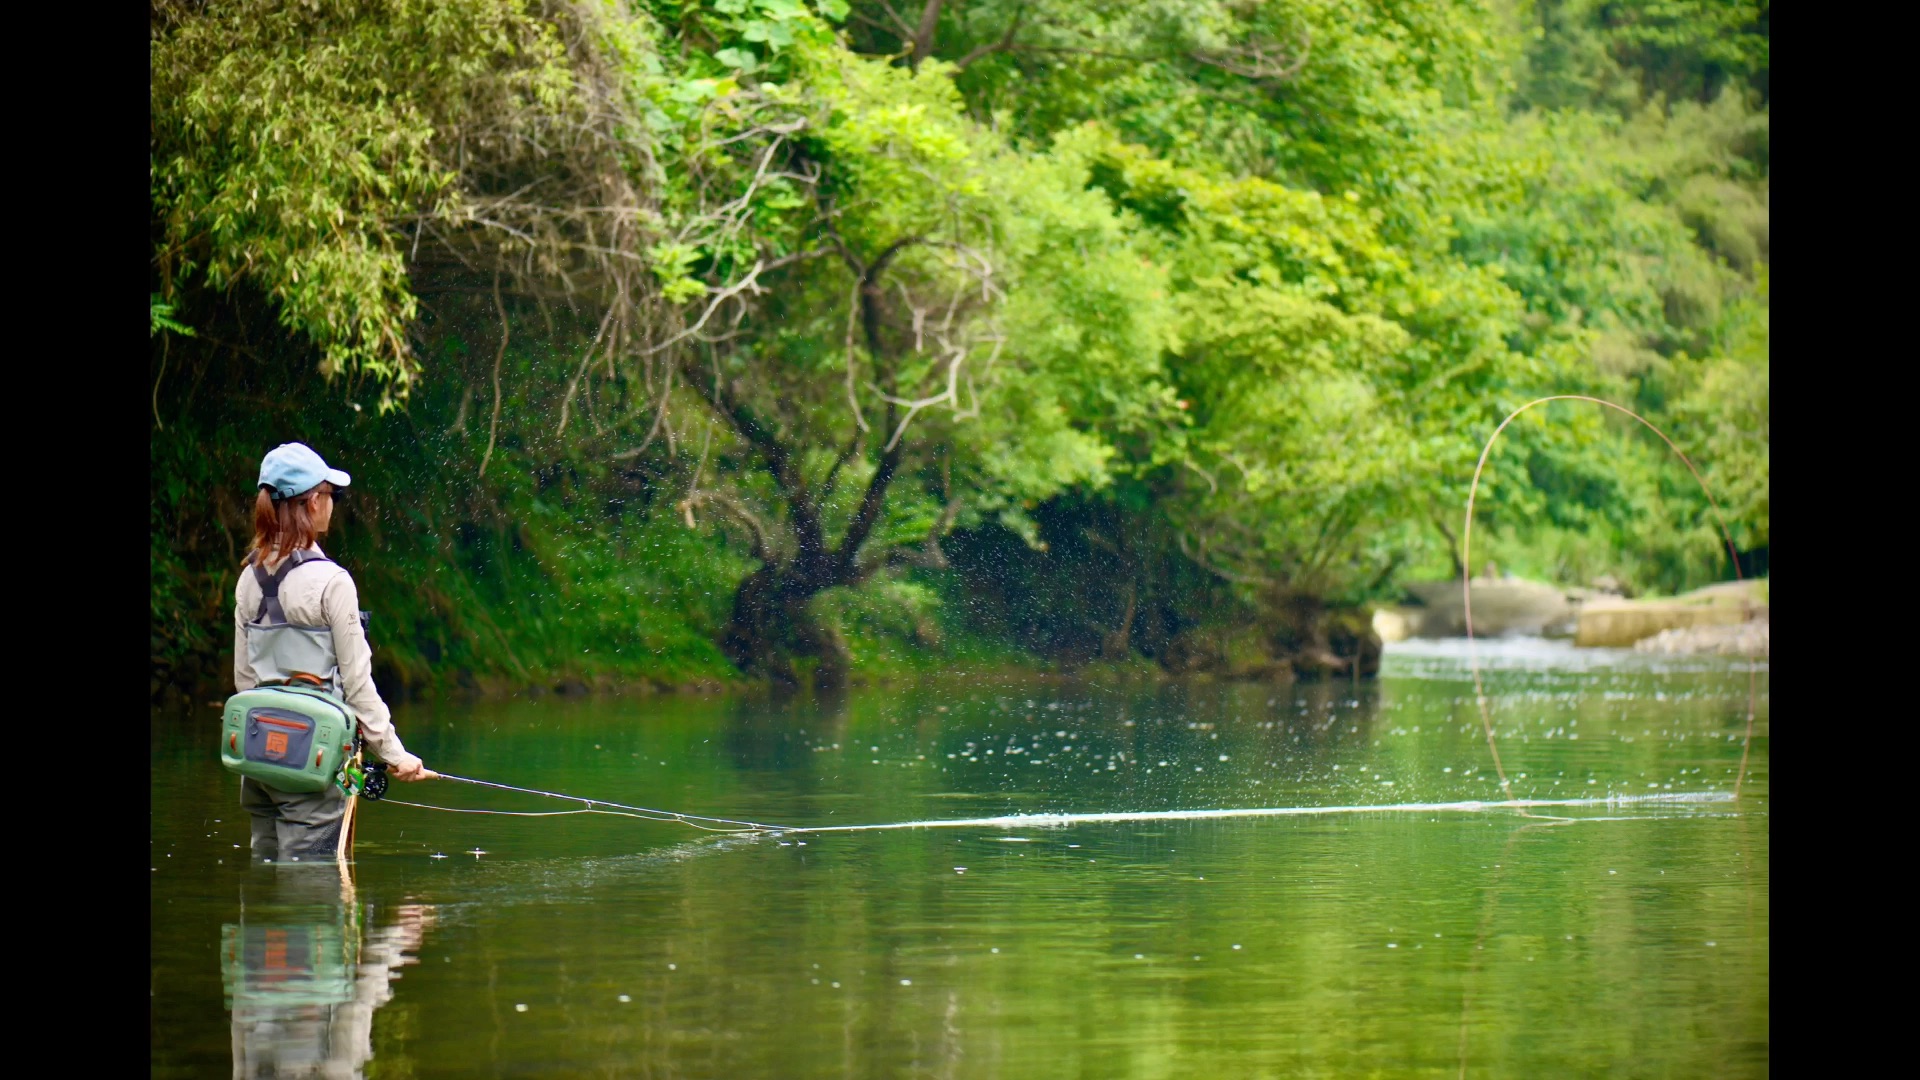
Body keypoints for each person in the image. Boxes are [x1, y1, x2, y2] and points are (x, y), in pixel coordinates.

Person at [235, 442, 430, 862]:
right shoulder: (332, 583)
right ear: (311, 502)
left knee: (263, 884)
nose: (333, 504)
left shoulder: (248, 579)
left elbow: (244, 681)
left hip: (258, 762)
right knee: (311, 893)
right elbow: (358, 687)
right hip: (313, 765)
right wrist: (396, 756)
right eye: (330, 495)